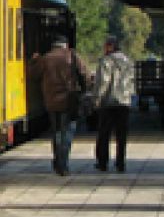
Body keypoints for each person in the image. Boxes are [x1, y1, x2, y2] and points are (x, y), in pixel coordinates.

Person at [29, 35, 88, 175]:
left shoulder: (45, 59)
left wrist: (34, 61)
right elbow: (84, 74)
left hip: (51, 101)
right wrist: (84, 91)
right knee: (67, 132)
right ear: (65, 45)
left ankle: (57, 161)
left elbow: (33, 76)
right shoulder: (72, 56)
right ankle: (63, 163)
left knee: (56, 132)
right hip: (69, 100)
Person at [92, 35, 135, 172]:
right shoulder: (127, 61)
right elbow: (131, 81)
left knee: (104, 133)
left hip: (109, 102)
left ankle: (103, 162)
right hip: (124, 102)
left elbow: (103, 82)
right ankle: (120, 163)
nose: (104, 48)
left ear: (110, 46)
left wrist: (97, 98)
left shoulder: (106, 61)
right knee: (121, 134)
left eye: (105, 45)